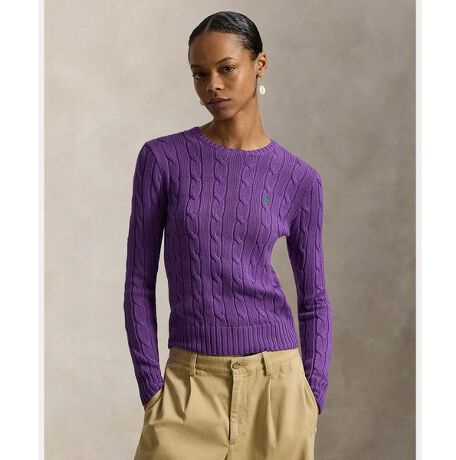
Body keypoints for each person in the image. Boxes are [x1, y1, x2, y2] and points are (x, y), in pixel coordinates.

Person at [123, 10, 333, 460]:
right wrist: (152, 388)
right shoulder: (163, 160)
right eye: (200, 74)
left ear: (260, 64)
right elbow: (139, 283)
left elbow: (313, 298)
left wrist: (311, 394)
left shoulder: (299, 179)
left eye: (226, 69)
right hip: (188, 387)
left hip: (278, 392)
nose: (212, 86)